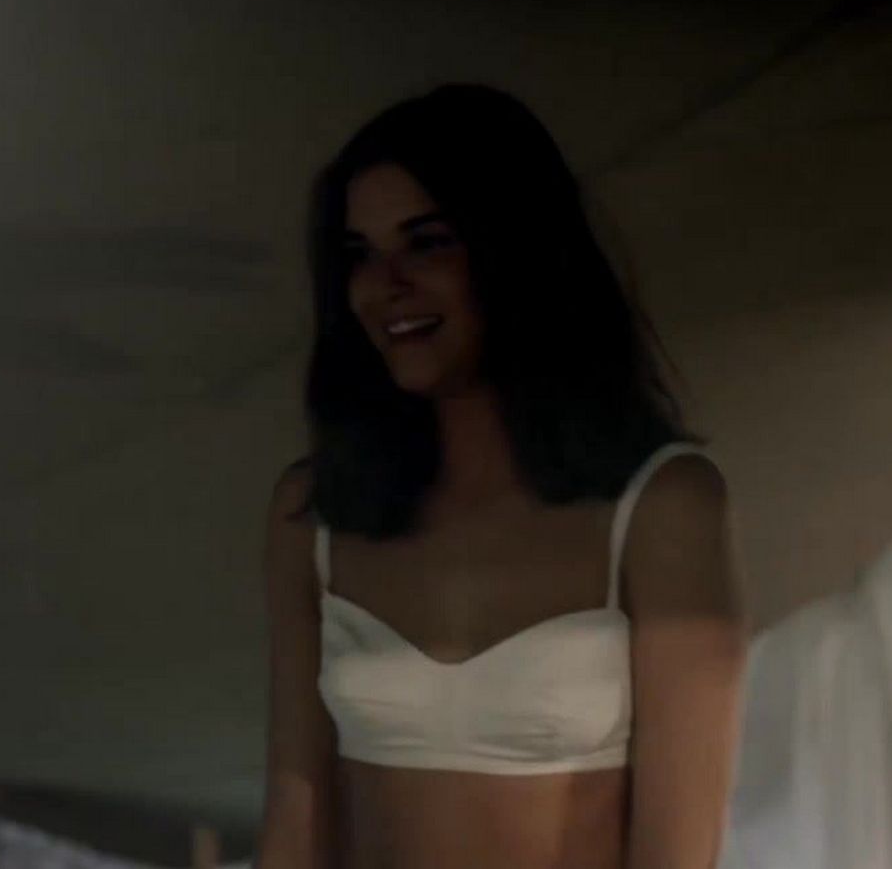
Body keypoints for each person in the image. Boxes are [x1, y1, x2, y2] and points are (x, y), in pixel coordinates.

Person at [254, 83, 751, 869]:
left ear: (515, 251)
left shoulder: (659, 504)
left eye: (427, 242)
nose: (386, 283)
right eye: (359, 254)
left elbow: (677, 852)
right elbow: (295, 816)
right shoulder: (315, 513)